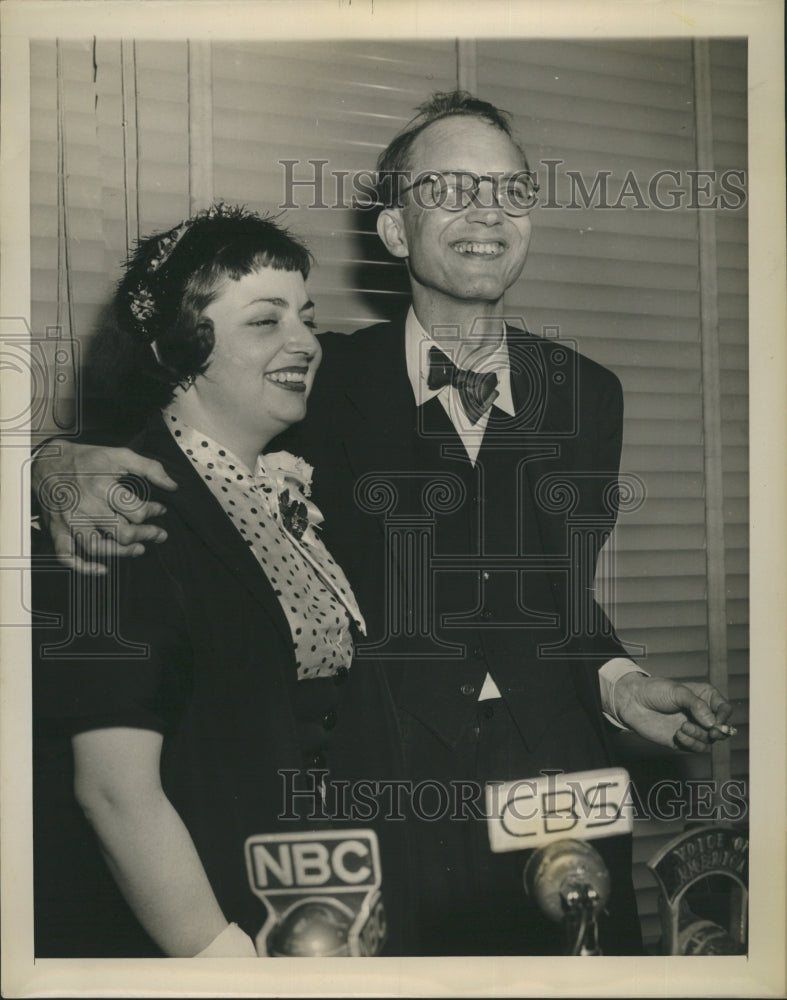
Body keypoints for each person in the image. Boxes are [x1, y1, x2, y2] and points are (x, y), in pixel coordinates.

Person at [32, 93, 734, 955]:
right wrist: (48, 463)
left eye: (510, 191)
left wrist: (620, 686)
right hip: (390, 792)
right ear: (396, 232)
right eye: (450, 189)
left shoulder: (587, 393)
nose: (486, 212)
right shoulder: (309, 377)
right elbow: (176, 438)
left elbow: (555, 600)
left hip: (559, 781)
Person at [32, 205, 410, 958]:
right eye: (264, 321)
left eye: (306, 316)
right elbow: (114, 793)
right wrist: (220, 961)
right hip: (206, 934)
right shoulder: (121, 510)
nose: (305, 341)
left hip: (319, 915)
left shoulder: (285, 487)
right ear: (177, 351)